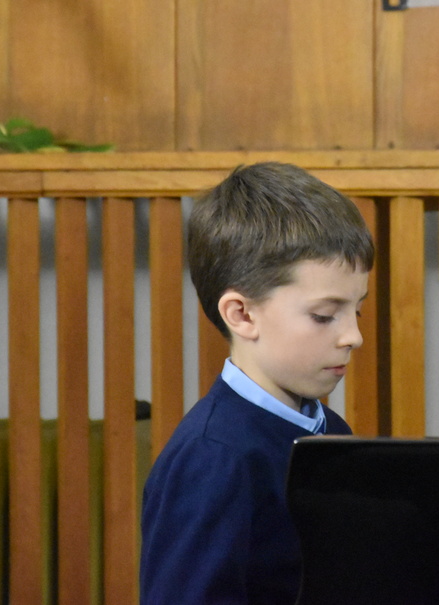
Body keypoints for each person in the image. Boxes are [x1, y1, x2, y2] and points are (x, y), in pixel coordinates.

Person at [140, 162, 374, 605]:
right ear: (242, 315)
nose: (353, 336)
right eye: (324, 315)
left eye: (356, 310)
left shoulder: (330, 430)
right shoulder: (213, 459)